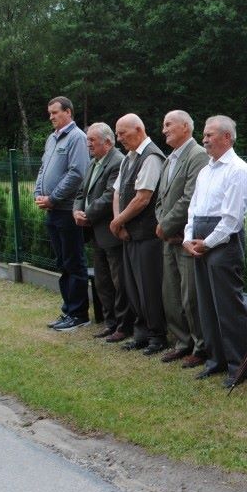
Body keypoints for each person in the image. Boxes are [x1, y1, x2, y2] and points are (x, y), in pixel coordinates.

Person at [183, 115, 247, 388]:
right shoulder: (206, 170)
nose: (204, 139)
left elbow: (232, 219)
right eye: (204, 134)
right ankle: (216, 360)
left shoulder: (238, 170)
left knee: (228, 306)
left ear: (227, 137)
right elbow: (194, 209)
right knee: (207, 306)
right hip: (201, 240)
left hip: (222, 243)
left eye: (209, 134)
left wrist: (207, 242)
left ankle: (239, 365)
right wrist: (189, 238)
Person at [154, 110, 209, 367]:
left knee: (190, 296)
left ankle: (200, 346)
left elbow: (190, 197)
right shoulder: (170, 158)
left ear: (185, 127)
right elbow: (161, 198)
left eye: (168, 124)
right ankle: (182, 342)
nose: (163, 129)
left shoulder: (196, 155)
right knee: (172, 294)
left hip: (185, 237)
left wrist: (166, 225)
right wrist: (161, 223)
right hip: (168, 236)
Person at [110, 113, 168, 355]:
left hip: (147, 235)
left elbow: (143, 198)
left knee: (149, 288)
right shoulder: (128, 158)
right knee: (133, 286)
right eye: (117, 134)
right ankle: (141, 332)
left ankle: (157, 336)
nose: (119, 138)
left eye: (122, 133)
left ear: (138, 129)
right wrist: (118, 222)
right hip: (130, 233)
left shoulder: (151, 157)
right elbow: (117, 192)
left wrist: (118, 222)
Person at [73, 122, 133, 340]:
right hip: (95, 232)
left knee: (118, 281)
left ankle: (124, 325)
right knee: (102, 280)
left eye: (91, 140)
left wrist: (87, 214)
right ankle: (110, 322)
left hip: (110, 232)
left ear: (107, 142)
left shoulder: (117, 162)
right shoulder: (93, 163)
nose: (88, 144)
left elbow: (110, 197)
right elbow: (81, 192)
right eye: (87, 139)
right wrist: (76, 212)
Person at [35, 96, 90, 331]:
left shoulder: (77, 138)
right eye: (50, 113)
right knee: (62, 262)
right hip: (53, 210)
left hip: (68, 210)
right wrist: (39, 193)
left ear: (68, 112)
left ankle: (79, 315)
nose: (51, 117)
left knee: (73, 261)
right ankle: (68, 310)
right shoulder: (52, 139)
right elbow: (42, 168)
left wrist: (53, 197)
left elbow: (77, 173)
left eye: (55, 112)